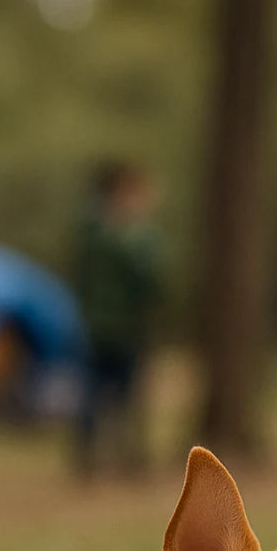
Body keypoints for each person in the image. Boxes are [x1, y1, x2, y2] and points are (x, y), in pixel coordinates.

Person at [72, 161, 164, 477]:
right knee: (94, 392)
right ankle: (90, 456)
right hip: (102, 325)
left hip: (129, 325)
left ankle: (124, 456)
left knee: (127, 394)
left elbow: (155, 279)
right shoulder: (99, 230)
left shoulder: (138, 234)